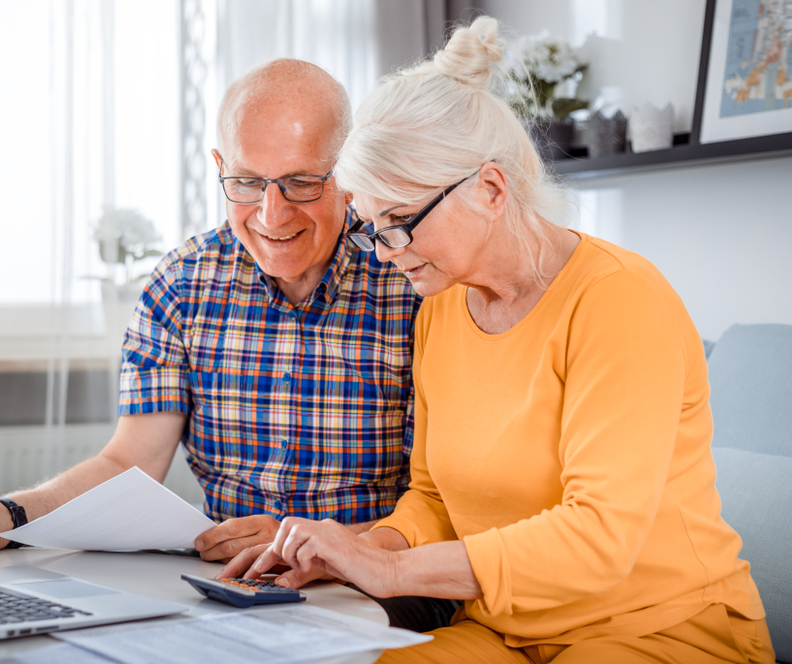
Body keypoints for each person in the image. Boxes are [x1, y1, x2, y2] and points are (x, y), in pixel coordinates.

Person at [229, 18, 775, 664]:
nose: (385, 254)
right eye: (374, 229)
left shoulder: (619, 301)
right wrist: (355, 550)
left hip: (662, 629)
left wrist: (396, 576)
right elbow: (431, 498)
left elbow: (600, 536)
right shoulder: (440, 308)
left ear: (490, 189)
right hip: (509, 631)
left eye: (400, 223)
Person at [0, 59, 460, 629]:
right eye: (245, 183)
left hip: (380, 585)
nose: (272, 214)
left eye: (302, 183)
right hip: (229, 588)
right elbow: (127, 461)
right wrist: (3, 517)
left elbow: (442, 502)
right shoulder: (182, 284)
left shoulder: (412, 283)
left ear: (349, 174)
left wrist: (317, 546)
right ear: (219, 168)